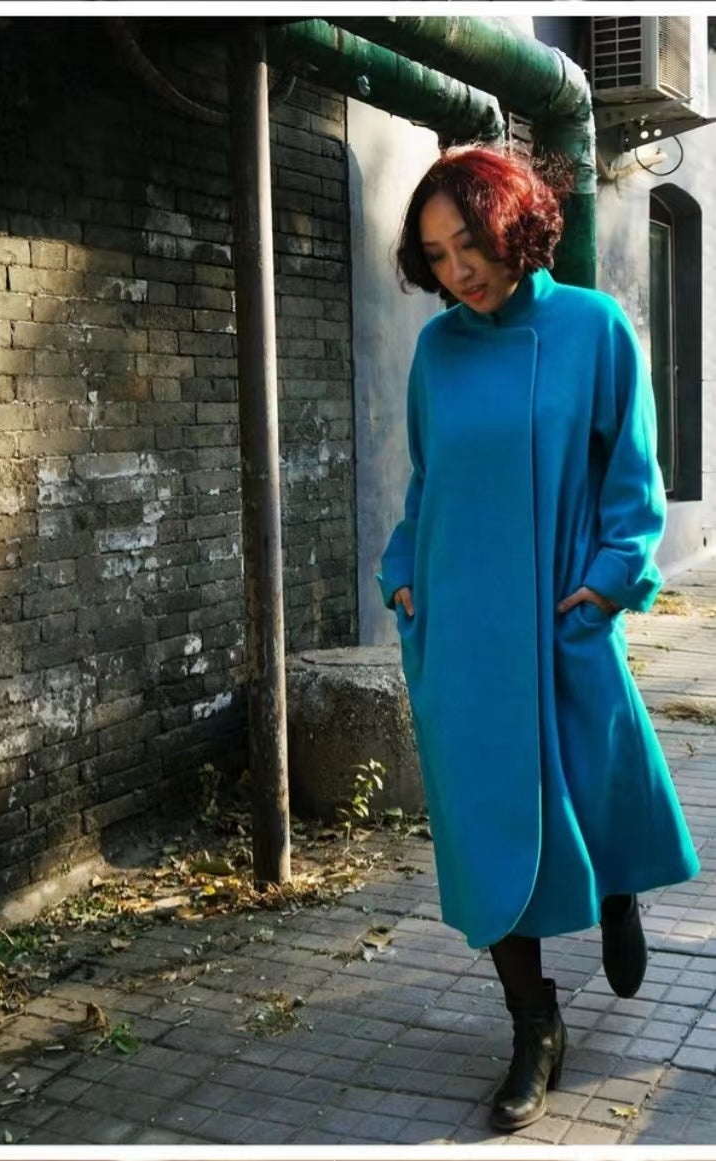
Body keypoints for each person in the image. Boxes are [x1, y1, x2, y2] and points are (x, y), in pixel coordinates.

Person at [377, 146, 700, 1133]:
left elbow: (632, 479)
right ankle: (533, 1024)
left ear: (513, 224)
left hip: (562, 616)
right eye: (437, 256)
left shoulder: (593, 328)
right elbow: (426, 481)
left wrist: (608, 585)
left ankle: (616, 889)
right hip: (460, 632)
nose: (457, 271)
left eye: (469, 244)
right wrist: (402, 575)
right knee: (482, 834)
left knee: (598, 782)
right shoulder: (437, 351)